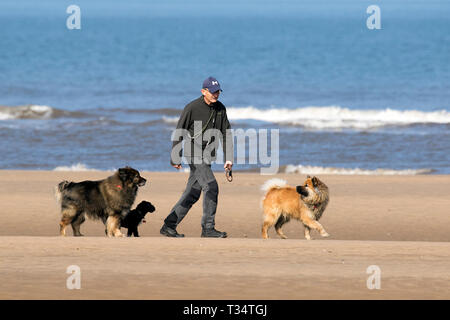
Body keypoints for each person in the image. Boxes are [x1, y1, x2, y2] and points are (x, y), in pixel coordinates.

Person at [160, 76, 233, 238]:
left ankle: (169, 225)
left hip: (207, 157)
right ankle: (208, 228)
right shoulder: (192, 107)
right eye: (213, 92)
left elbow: (226, 133)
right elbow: (180, 131)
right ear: (203, 91)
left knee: (192, 193)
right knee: (211, 186)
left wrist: (229, 158)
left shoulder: (221, 109)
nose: (216, 94)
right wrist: (175, 157)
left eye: (218, 91)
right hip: (193, 153)